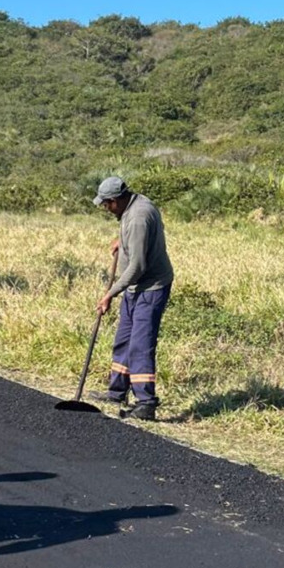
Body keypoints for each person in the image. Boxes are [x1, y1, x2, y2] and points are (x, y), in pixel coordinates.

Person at [91, 177, 174, 421]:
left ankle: (146, 403)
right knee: (124, 339)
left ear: (116, 200)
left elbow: (137, 266)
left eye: (107, 205)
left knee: (140, 345)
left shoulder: (139, 217)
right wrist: (123, 241)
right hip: (135, 288)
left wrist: (109, 294)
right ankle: (117, 391)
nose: (106, 209)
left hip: (150, 288)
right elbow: (139, 237)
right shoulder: (132, 206)